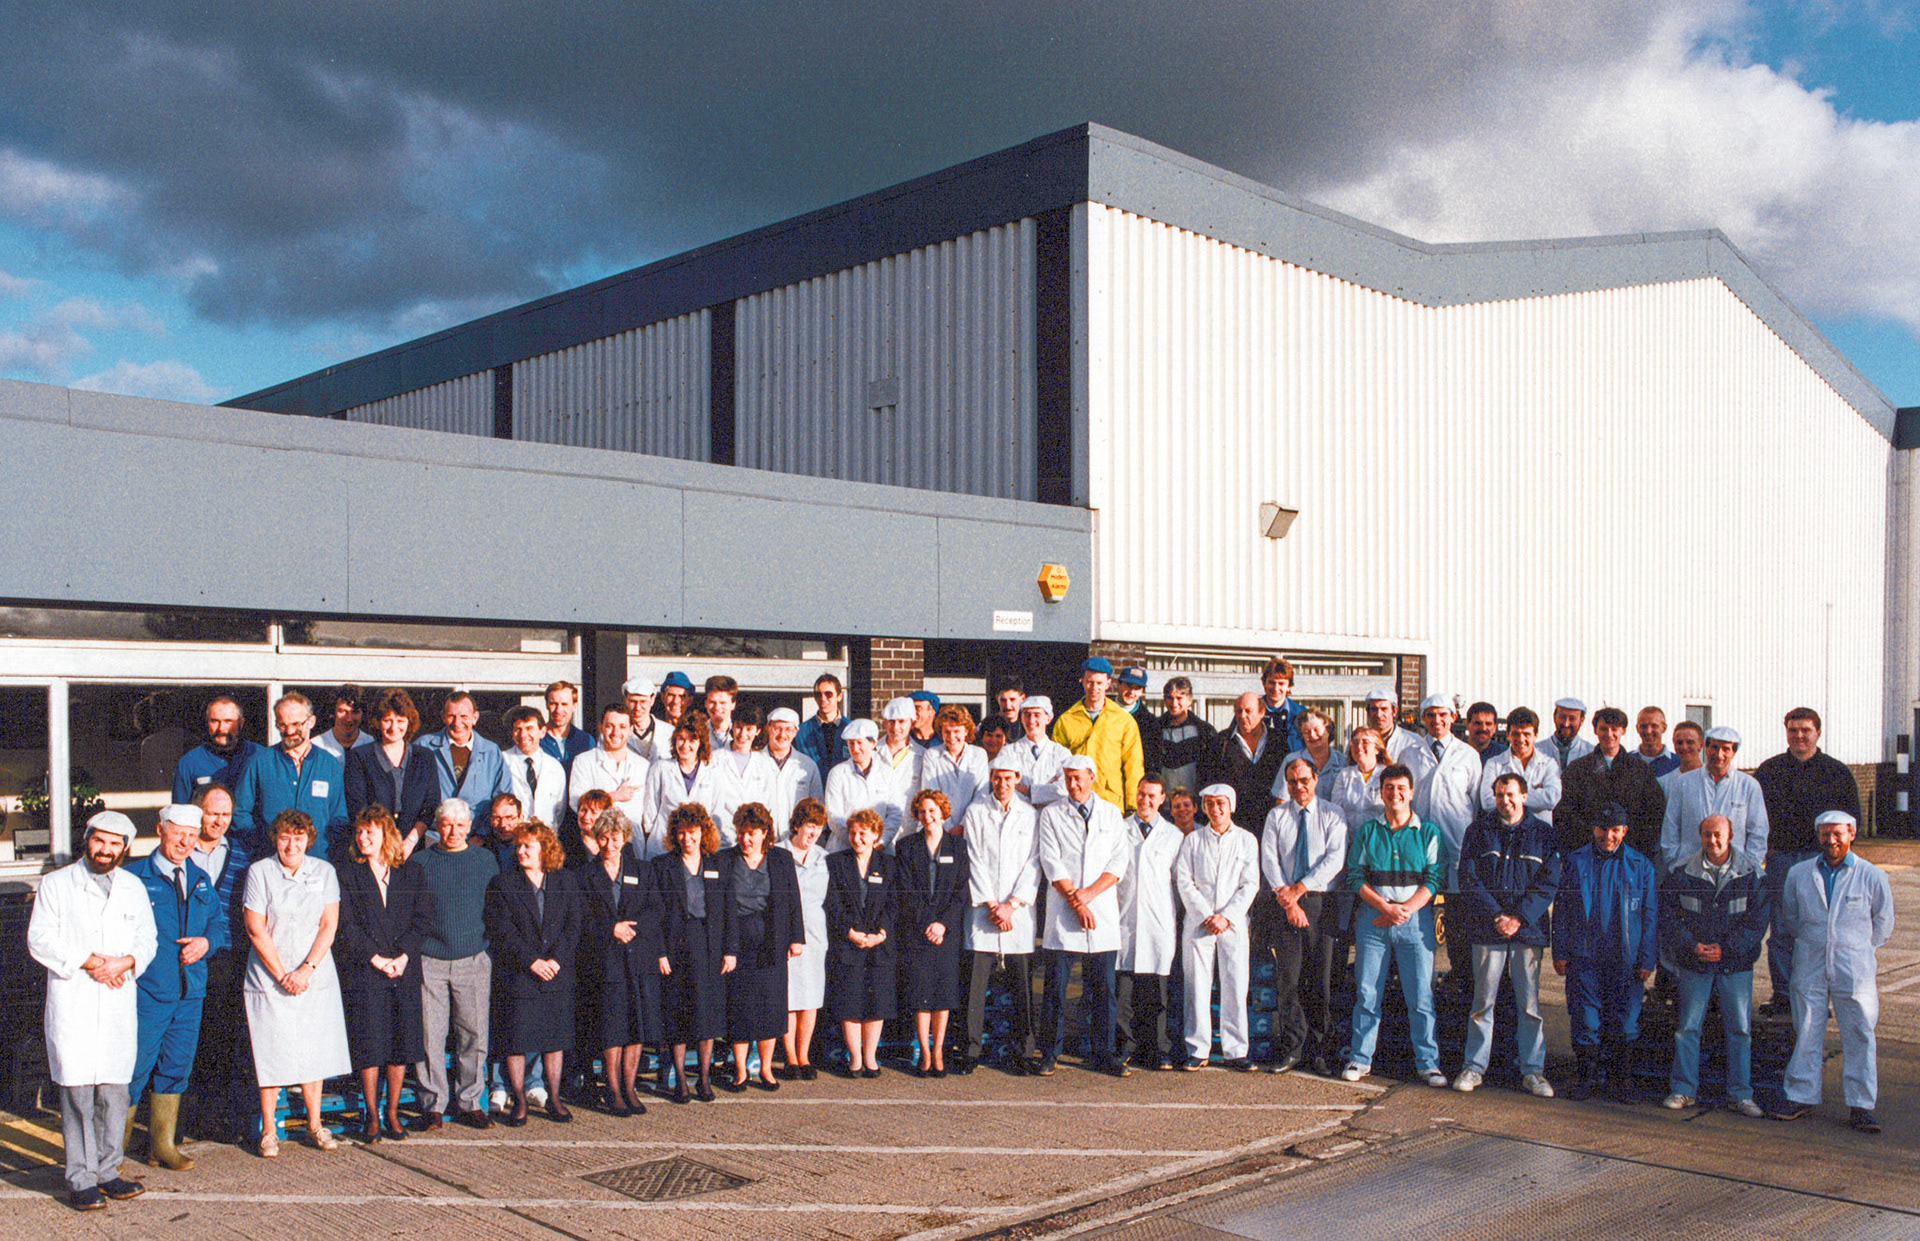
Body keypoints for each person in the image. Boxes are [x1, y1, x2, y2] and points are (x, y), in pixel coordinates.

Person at [28, 810, 156, 1210]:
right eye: (100, 841)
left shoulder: (134, 886)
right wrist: (90, 961)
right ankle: (80, 1177)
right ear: (87, 840)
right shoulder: (56, 884)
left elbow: (148, 939)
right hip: (76, 998)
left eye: (115, 843)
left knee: (114, 1093)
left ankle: (108, 1171)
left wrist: (125, 962)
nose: (106, 849)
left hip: (118, 997)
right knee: (78, 1095)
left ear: (125, 847)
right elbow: (41, 939)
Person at [1771, 810, 1894, 1133]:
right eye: (1825, 834)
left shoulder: (1872, 876)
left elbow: (1883, 925)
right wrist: (1818, 942)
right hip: (1810, 960)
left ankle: (1862, 1105)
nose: (1832, 840)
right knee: (1808, 1028)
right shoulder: (1799, 874)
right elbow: (1791, 917)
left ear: (1852, 834)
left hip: (1854, 968)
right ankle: (1800, 1095)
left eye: (1838, 833)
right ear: (1818, 836)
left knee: (1859, 1033)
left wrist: (1854, 948)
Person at [242, 809, 351, 1156]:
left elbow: (328, 926)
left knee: (312, 1051)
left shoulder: (324, 871)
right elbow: (255, 928)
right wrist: (281, 975)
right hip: (269, 977)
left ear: (309, 840)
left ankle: (315, 1125)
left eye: (299, 837)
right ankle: (269, 1130)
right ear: (275, 838)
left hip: (313, 977)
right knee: (270, 1052)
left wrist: (305, 970)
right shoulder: (260, 872)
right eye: (285, 837)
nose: (291, 844)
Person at [125, 804, 222, 1171]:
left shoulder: (199, 878)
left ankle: (161, 1146)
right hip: (148, 991)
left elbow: (217, 925)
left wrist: (205, 944)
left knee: (176, 1066)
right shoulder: (134, 877)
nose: (184, 841)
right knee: (134, 1068)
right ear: (160, 830)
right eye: (177, 832)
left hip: (189, 992)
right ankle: (112, 1151)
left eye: (191, 834)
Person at [1452, 774, 1559, 1097]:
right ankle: (1474, 1067)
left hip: (1527, 933)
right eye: (1499, 795)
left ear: (1524, 796)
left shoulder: (1544, 835)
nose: (1505, 801)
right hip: (1489, 929)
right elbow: (1468, 878)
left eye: (1510, 794)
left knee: (1529, 1005)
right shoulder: (1479, 831)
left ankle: (1533, 1071)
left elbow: (1548, 882)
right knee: (1483, 1003)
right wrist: (1497, 915)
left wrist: (1520, 917)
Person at [1339, 765, 1445, 1086]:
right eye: (1388, 787)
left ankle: (1428, 1064)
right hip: (1374, 921)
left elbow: (1434, 878)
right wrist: (1385, 907)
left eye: (1401, 787)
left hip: (1416, 923)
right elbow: (1355, 876)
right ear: (1380, 791)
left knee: (1421, 997)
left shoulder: (1428, 831)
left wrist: (1405, 910)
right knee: (1368, 993)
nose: (1394, 793)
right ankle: (1360, 1059)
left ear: (1411, 792)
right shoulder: (1369, 832)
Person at [334, 805, 434, 1143]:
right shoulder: (347, 873)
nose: (363, 838)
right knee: (371, 1045)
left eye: (370, 832)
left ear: (385, 834)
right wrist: (376, 959)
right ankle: (372, 1116)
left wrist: (404, 956)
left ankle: (392, 1113)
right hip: (367, 971)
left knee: (401, 1043)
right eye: (360, 832)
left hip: (404, 970)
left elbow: (422, 919)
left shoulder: (411, 872)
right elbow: (345, 926)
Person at [1753, 707, 1862, 1013]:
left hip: (1822, 861)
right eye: (1793, 730)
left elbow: (1853, 823)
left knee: (1819, 931)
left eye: (1805, 730)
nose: (1799, 735)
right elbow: (1755, 817)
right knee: (1783, 929)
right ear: (1785, 732)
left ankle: (1815, 994)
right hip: (1781, 861)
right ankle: (1784, 994)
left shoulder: (1837, 773)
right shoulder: (1769, 771)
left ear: (1818, 733)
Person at [1659, 814, 1768, 1116]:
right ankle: (1683, 1090)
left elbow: (1757, 923)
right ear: (1700, 836)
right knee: (1687, 1028)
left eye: (1719, 835)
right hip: (1695, 963)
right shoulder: (1680, 873)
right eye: (1707, 835)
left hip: (1735, 965)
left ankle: (1741, 1094)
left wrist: (1727, 949)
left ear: (1731, 835)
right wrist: (1692, 946)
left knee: (1740, 1030)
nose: (1713, 841)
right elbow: (1669, 918)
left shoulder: (1752, 875)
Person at [1553, 802, 1658, 1102]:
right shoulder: (1575, 862)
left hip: (1626, 959)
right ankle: (1586, 1079)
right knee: (1587, 1020)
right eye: (1603, 829)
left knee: (1625, 1021)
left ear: (1624, 831)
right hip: (1584, 957)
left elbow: (1650, 916)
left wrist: (1647, 958)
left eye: (1615, 830)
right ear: (1593, 829)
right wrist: (1560, 950)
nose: (1608, 836)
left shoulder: (1641, 866)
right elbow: (1561, 911)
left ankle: (1619, 1082)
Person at [1035, 755, 1131, 1077]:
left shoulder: (1112, 813)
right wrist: (1077, 903)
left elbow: (1119, 861)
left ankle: (1104, 1055)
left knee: (1104, 991)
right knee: (1056, 990)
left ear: (1092, 776)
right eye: (1067, 778)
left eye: (1078, 778)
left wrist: (1089, 895)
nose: (1072, 785)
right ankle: (1050, 1053)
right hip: (1065, 911)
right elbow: (1051, 860)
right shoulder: (1051, 814)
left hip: (1100, 910)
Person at [485, 820, 582, 1125]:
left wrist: (555, 960)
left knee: (554, 1039)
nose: (521, 851)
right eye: (519, 846)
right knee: (516, 1039)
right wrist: (531, 961)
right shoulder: (503, 884)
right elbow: (501, 930)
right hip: (520, 974)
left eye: (528, 846)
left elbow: (573, 925)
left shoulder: (565, 881)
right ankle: (518, 1102)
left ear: (545, 849)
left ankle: (553, 1098)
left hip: (556, 974)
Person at [411, 798, 499, 1132]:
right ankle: (433, 1104)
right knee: (429, 1036)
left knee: (473, 1033)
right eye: (447, 824)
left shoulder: (485, 860)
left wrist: (485, 947)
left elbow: (494, 906)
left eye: (460, 825)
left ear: (469, 826)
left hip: (473, 957)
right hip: (431, 959)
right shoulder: (421, 862)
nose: (453, 831)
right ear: (437, 824)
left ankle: (470, 1102)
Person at [1261, 758, 1348, 1077]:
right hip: (1284, 903)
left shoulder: (1332, 814)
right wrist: (1288, 900)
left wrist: (1300, 889)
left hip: (1320, 903)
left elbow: (1335, 859)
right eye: (1292, 782)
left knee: (1321, 979)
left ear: (1315, 779)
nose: (1299, 787)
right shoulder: (1277, 816)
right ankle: (1293, 1047)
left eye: (1304, 780)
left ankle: (1321, 1049)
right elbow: (1269, 860)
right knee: (1290, 979)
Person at [959, 758, 1040, 1075]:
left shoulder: (1030, 815)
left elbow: (1035, 862)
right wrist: (993, 904)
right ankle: (970, 1050)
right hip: (984, 911)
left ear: (1017, 778)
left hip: (1017, 913)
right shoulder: (976, 812)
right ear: (990, 778)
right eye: (997, 778)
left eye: (1008, 778)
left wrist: (1013, 904)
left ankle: (1023, 1051)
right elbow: (972, 859)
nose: (1002, 784)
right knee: (975, 986)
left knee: (1022, 987)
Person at [182, 785, 253, 1143]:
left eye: (225, 815)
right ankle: (182, 1120)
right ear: (198, 813)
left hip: (227, 958)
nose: (219, 821)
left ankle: (217, 1118)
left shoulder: (241, 853)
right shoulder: (181, 852)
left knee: (223, 1039)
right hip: (187, 959)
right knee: (186, 1040)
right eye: (213, 814)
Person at [577, 807, 659, 1116]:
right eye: (603, 838)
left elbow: (655, 909)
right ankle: (612, 1091)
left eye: (615, 838)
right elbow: (580, 919)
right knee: (612, 1028)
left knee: (636, 1027)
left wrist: (632, 929)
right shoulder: (584, 875)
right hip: (604, 960)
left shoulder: (643, 870)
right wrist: (610, 929)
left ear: (625, 838)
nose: (609, 845)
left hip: (638, 959)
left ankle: (629, 1087)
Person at [720, 802, 805, 1091]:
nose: (746, 839)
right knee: (740, 1006)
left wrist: (797, 937)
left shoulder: (781, 859)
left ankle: (766, 1069)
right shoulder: (725, 860)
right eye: (742, 832)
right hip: (738, 939)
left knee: (770, 1006)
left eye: (753, 832)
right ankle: (741, 1071)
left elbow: (793, 899)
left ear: (765, 832)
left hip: (772, 940)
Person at [1176, 785, 1260, 1072]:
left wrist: (1227, 916)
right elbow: (1184, 881)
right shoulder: (1193, 840)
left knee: (1236, 985)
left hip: (1232, 924)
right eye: (1210, 804)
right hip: (1199, 924)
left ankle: (1236, 1050)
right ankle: (1197, 1049)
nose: (1215, 809)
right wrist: (1205, 914)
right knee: (1197, 986)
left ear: (1231, 806)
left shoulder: (1247, 841)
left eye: (1221, 803)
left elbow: (1250, 884)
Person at [654, 802, 733, 1103]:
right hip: (676, 945)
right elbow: (656, 913)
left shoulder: (717, 864)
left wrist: (730, 951)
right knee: (677, 1013)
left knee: (706, 1014)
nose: (688, 839)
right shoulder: (663, 866)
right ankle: (680, 1082)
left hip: (709, 944)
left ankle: (703, 1078)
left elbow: (728, 911)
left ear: (703, 832)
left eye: (693, 832)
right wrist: (660, 952)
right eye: (682, 833)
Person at [1408, 694, 1482, 995]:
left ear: (1453, 718)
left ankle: (1460, 982)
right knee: (1418, 915)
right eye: (1430, 715)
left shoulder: (1468, 755)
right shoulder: (1411, 753)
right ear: (1423, 719)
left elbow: (1476, 804)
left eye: (1442, 715)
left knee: (1456, 919)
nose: (1436, 721)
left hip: (1457, 845)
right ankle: (1418, 982)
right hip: (1419, 846)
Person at [896, 789, 969, 1076]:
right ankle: (924, 1053)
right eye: (922, 811)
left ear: (943, 811)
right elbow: (906, 890)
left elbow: (961, 890)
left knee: (943, 994)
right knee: (921, 993)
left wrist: (943, 924)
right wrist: (927, 923)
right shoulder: (907, 846)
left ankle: (938, 1050)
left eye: (932, 810)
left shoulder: (957, 846)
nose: (928, 816)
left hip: (946, 933)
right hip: (918, 931)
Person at [1115, 774, 1181, 1071]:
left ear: (1162, 798)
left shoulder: (1173, 835)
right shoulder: (1119, 828)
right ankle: (1124, 1047)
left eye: (1152, 796)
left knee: (1157, 992)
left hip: (1158, 921)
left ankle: (1158, 1049)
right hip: (1124, 918)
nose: (1145, 800)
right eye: (1141, 794)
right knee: (1124, 993)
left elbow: (1180, 882)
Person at [825, 808, 897, 1078]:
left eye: (863, 833)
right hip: (849, 942)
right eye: (853, 833)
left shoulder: (889, 864)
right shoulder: (836, 863)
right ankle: (855, 1058)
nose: (857, 838)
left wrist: (881, 934)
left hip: (879, 945)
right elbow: (832, 903)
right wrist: (850, 932)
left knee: (876, 1002)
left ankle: (871, 1056)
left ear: (875, 834)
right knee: (850, 1002)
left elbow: (893, 904)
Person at [233, 691, 349, 855]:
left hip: (317, 862)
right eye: (282, 725)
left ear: (311, 722)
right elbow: (239, 811)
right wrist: (261, 843)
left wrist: (326, 848)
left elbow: (339, 817)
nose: (289, 731)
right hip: (271, 860)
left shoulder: (329, 765)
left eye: (296, 724)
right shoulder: (259, 762)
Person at [1557, 706, 1666, 858]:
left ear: (1624, 730)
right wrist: (1596, 841)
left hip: (1630, 854)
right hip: (1587, 855)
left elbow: (1653, 813)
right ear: (1595, 730)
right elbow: (1566, 814)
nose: (1609, 734)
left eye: (1615, 729)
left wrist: (1631, 846)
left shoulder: (1640, 770)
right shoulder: (1577, 770)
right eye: (1603, 729)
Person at [344, 687, 437, 856]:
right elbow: (357, 808)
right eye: (387, 720)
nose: (394, 727)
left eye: (400, 720)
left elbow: (430, 806)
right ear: (377, 722)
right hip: (372, 850)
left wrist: (410, 842)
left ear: (409, 721)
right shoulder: (359, 757)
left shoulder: (424, 757)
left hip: (413, 851)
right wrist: (383, 845)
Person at [1661, 727, 1768, 871]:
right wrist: (1676, 863)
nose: (1719, 754)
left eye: (1726, 749)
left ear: (1734, 752)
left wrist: (1747, 867)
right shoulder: (1683, 783)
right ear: (1706, 747)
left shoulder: (1748, 786)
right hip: (1690, 870)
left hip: (1734, 872)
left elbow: (1758, 831)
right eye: (1714, 747)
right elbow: (1670, 828)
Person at [780, 799, 832, 1080]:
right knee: (789, 997)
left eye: (819, 828)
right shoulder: (778, 852)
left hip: (815, 934)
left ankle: (804, 1055)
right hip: (787, 933)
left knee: (810, 997)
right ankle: (789, 1058)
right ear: (797, 824)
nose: (813, 833)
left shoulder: (824, 858)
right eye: (810, 826)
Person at [1051, 657, 1144, 810]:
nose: (1094, 687)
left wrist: (1133, 807)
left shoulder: (1123, 721)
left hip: (1111, 800)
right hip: (1075, 800)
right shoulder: (1066, 720)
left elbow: (1133, 767)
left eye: (1100, 683)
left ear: (1108, 683)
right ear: (1082, 681)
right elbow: (1057, 766)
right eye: (1090, 682)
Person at [418, 692, 514, 835]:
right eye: (451, 716)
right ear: (443, 717)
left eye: (464, 716)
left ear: (474, 718)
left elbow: (502, 800)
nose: (457, 723)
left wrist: (481, 836)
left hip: (477, 839)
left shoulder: (491, 752)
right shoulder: (424, 747)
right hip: (434, 837)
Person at [571, 705, 651, 846]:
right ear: (601, 728)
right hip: (598, 842)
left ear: (631, 730)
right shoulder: (584, 761)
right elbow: (576, 802)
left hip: (633, 843)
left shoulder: (643, 766)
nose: (616, 732)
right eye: (610, 726)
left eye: (622, 726)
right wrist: (614, 796)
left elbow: (649, 812)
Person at [641, 720, 725, 853]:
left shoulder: (712, 773)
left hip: (698, 847)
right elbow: (650, 811)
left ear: (701, 743)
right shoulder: (661, 768)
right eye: (681, 739)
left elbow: (716, 812)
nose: (685, 745)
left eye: (692, 740)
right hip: (662, 845)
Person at [824, 719, 905, 850]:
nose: (855, 749)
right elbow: (833, 816)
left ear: (873, 743)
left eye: (860, 743)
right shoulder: (837, 773)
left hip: (879, 848)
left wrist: (881, 841)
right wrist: (857, 841)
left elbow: (895, 812)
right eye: (851, 744)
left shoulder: (887, 772)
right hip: (845, 848)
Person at [1212, 691, 1283, 833]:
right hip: (1234, 824)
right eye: (1239, 711)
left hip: (1270, 821)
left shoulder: (1277, 740)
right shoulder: (1222, 742)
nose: (1242, 716)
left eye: (1248, 711)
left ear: (1262, 712)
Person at [1476, 708, 1562, 824]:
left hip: (1539, 836)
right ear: (1508, 735)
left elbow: (1552, 798)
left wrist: (1505, 797)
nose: (1521, 739)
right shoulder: (1494, 764)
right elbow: (1487, 802)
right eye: (1516, 734)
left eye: (1526, 734)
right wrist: (1535, 794)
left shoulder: (1548, 764)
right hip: (1503, 834)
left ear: (1535, 735)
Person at [172, 696, 261, 805]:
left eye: (228, 721)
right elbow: (180, 813)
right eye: (214, 721)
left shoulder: (259, 756)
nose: (221, 729)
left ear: (241, 723)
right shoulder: (189, 763)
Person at [918, 705, 989, 832]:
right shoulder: (932, 755)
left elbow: (981, 794)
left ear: (966, 731)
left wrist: (963, 825)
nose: (951, 737)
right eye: (947, 731)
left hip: (972, 825)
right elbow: (931, 794)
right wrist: (948, 827)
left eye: (956, 731)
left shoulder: (979, 754)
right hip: (940, 827)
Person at [503, 705, 566, 841]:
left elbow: (559, 811)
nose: (523, 735)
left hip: (545, 842)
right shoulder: (502, 761)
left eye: (529, 728)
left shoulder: (555, 767)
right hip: (512, 841)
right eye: (518, 729)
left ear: (542, 731)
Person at [712, 704, 777, 828]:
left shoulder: (765, 764)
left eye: (749, 729)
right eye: (739, 727)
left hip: (753, 834)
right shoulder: (714, 760)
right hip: (722, 835)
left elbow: (769, 804)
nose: (742, 734)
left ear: (757, 731)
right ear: (732, 726)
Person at [1151, 677, 1218, 796]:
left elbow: (1213, 772)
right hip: (1164, 804)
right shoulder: (1154, 730)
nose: (1174, 703)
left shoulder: (1204, 731)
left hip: (1194, 805)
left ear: (1190, 700)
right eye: (1170, 698)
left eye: (1179, 698)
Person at [762, 707, 823, 836]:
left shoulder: (807, 766)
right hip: (761, 840)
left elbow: (817, 808)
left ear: (796, 732)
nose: (782, 735)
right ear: (767, 729)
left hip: (796, 841)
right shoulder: (754, 762)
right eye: (777, 728)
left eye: (788, 729)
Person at [1013, 696, 1070, 808]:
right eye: (1027, 714)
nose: (1031, 720)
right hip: (1020, 818)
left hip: (1053, 816)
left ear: (1048, 719)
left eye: (1037, 715)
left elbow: (1064, 789)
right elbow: (1006, 789)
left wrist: (1027, 790)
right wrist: (1050, 789)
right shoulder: (1009, 752)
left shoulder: (1062, 754)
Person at [795, 673, 850, 772]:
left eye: (828, 694)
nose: (823, 699)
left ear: (839, 696)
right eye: (818, 694)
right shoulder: (801, 732)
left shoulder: (851, 729)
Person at [1277, 707, 1344, 789]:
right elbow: (1282, 799)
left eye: (1316, 729)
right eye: (1306, 732)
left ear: (1328, 731)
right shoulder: (1291, 760)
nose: (1312, 735)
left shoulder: (1344, 762)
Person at [541, 681, 599, 772]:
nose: (558, 710)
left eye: (564, 704)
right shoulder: (536, 740)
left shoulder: (585, 741)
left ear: (574, 706)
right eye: (553, 704)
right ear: (547, 705)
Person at [310, 685, 373, 766]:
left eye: (355, 712)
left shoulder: (371, 744)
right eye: (342, 711)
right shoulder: (316, 746)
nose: (349, 719)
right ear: (333, 713)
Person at [877, 697, 924, 799]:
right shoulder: (872, 752)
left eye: (901, 721)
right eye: (891, 721)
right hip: (876, 814)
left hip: (908, 814)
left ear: (912, 723)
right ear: (885, 722)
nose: (895, 727)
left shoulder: (922, 756)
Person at [1258, 657, 1304, 754]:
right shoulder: (1249, 711)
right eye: (1272, 682)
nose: (1276, 688)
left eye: (1281, 683)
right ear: (1264, 683)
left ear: (1289, 686)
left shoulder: (1301, 714)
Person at [1362, 689, 1421, 765]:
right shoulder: (1358, 742)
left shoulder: (1412, 742)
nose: (1379, 715)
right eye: (1374, 709)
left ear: (1395, 711)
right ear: (1367, 711)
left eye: (1384, 709)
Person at [622, 677, 670, 762]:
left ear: (652, 700)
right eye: (633, 701)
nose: (638, 708)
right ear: (625, 700)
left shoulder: (669, 732)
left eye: (643, 702)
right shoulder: (614, 733)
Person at [1539, 698, 1593, 772]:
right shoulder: (1537, 750)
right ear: (1554, 717)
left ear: (1582, 720)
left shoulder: (1591, 753)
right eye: (1562, 717)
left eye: (1572, 718)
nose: (1566, 724)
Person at [1660, 720, 1706, 797]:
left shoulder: (1712, 780)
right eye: (1679, 743)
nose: (1684, 747)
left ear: (1701, 745)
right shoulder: (1664, 783)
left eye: (1690, 742)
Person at [1635, 707, 1679, 777]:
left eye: (1654, 726)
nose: (1648, 731)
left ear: (1664, 728)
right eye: (1644, 726)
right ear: (1637, 728)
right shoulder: (1625, 762)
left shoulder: (1677, 763)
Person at [703, 675, 741, 756]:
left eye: (723, 703)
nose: (717, 707)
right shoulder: (697, 733)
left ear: (733, 704)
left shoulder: (743, 735)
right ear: (706, 703)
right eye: (712, 702)